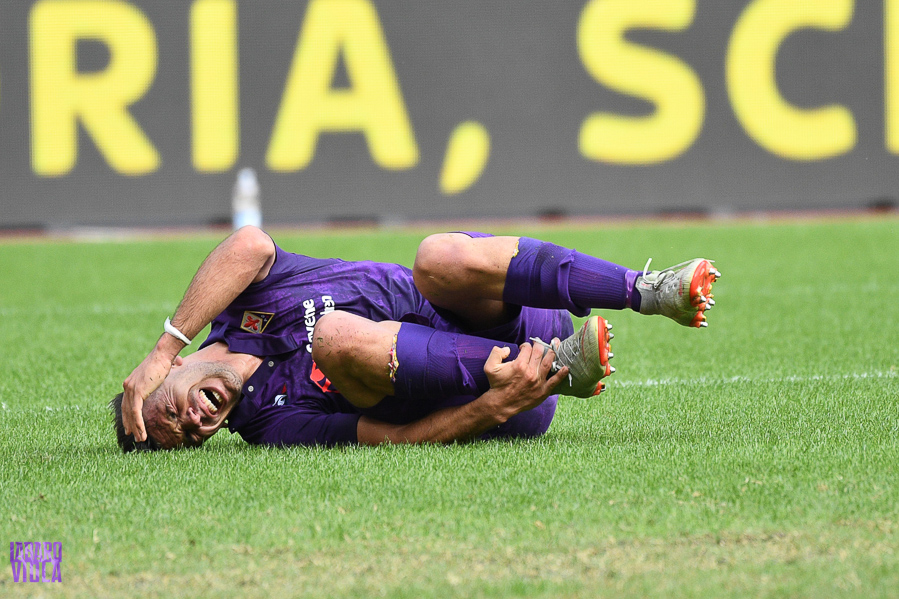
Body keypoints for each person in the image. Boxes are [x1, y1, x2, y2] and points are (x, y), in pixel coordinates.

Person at [110, 227, 719, 451]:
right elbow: (395, 436)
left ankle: (648, 289)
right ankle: (561, 365)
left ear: (166, 375)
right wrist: (497, 404)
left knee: (436, 256)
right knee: (339, 337)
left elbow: (248, 245)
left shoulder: (239, 304)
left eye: (172, 412)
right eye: (189, 438)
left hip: (500, 310)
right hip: (508, 387)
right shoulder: (270, 424)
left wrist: (161, 345)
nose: (195, 423)